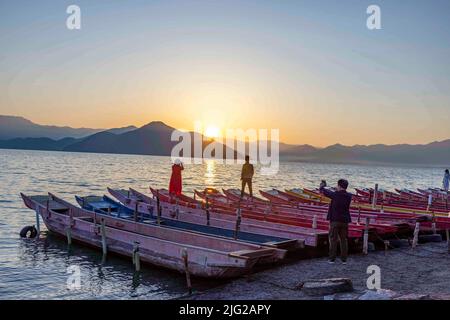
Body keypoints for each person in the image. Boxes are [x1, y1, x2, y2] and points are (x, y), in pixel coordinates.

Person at [319, 179, 352, 264]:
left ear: (340, 186)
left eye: (337, 185)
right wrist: (335, 189)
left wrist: (322, 186)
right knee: (343, 240)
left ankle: (332, 259)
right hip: (345, 221)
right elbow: (338, 193)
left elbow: (323, 191)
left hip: (335, 220)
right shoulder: (349, 196)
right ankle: (344, 259)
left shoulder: (335, 195)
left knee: (333, 239)